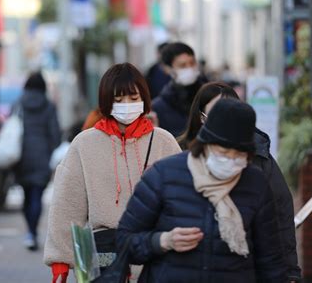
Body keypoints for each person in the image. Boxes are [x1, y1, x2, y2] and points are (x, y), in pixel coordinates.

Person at [117, 98, 287, 282]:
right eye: (223, 152)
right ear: (206, 143)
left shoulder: (255, 184)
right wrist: (163, 241)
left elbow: (271, 261)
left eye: (239, 154)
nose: (230, 160)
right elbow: (124, 242)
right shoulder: (164, 175)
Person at [43, 63, 181, 282]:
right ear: (106, 101)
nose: (127, 105)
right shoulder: (84, 144)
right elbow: (67, 203)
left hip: (154, 252)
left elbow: (181, 198)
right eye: (118, 99)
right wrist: (61, 259)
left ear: (144, 99)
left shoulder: (164, 141)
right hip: (102, 254)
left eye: (134, 98)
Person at [177, 82, 301, 282]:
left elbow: (281, 212)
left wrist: (290, 272)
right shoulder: (179, 156)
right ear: (201, 117)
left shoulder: (258, 155)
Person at [14, 72, 61, 251]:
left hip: (21, 156)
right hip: (42, 156)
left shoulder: (19, 104)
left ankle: (30, 231)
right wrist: (50, 150)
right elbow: (55, 134)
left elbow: (10, 127)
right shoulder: (49, 106)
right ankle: (33, 233)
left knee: (26, 195)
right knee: (37, 196)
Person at [152, 42, 207, 137]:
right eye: (182, 65)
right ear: (167, 69)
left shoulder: (210, 96)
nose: (189, 68)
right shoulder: (158, 107)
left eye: (192, 63)